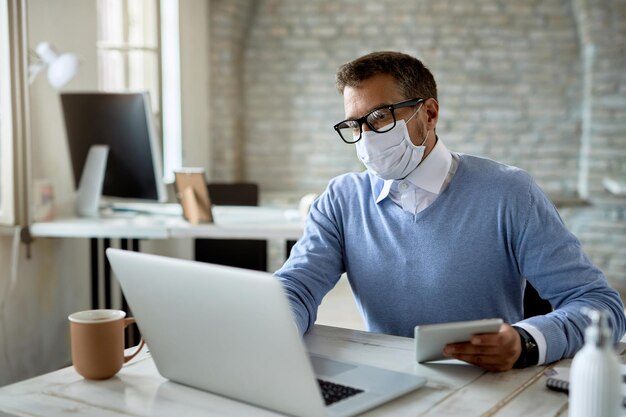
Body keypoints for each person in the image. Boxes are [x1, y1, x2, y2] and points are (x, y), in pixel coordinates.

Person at [274, 51, 626, 372]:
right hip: (389, 381)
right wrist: (274, 328)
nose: (366, 137)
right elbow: (297, 286)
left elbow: (600, 306)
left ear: (428, 113)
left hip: (488, 385)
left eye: (379, 117)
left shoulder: (510, 192)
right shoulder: (341, 199)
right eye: (355, 124)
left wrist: (527, 342)